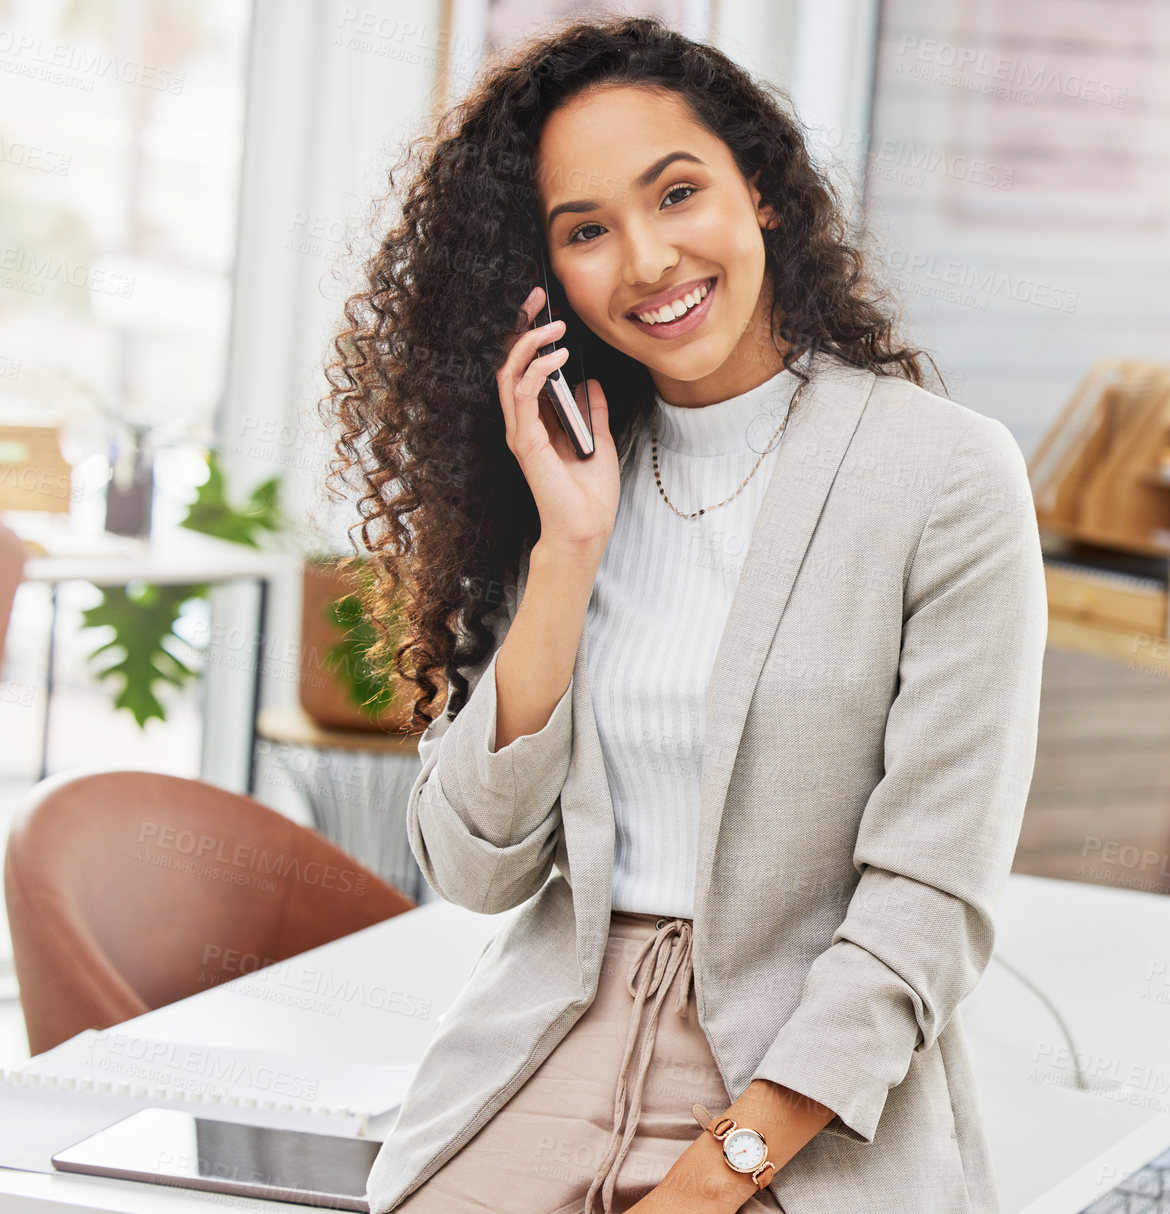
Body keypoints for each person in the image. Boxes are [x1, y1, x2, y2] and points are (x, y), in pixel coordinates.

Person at [322, 14, 1048, 1214]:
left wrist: (720, 1173)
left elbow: (929, 899)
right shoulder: (572, 467)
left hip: (797, 1090)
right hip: (544, 1046)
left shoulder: (944, 473)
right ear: (547, 276)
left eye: (676, 193)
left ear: (757, 191)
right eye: (587, 231)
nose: (649, 260)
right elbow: (472, 866)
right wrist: (567, 545)